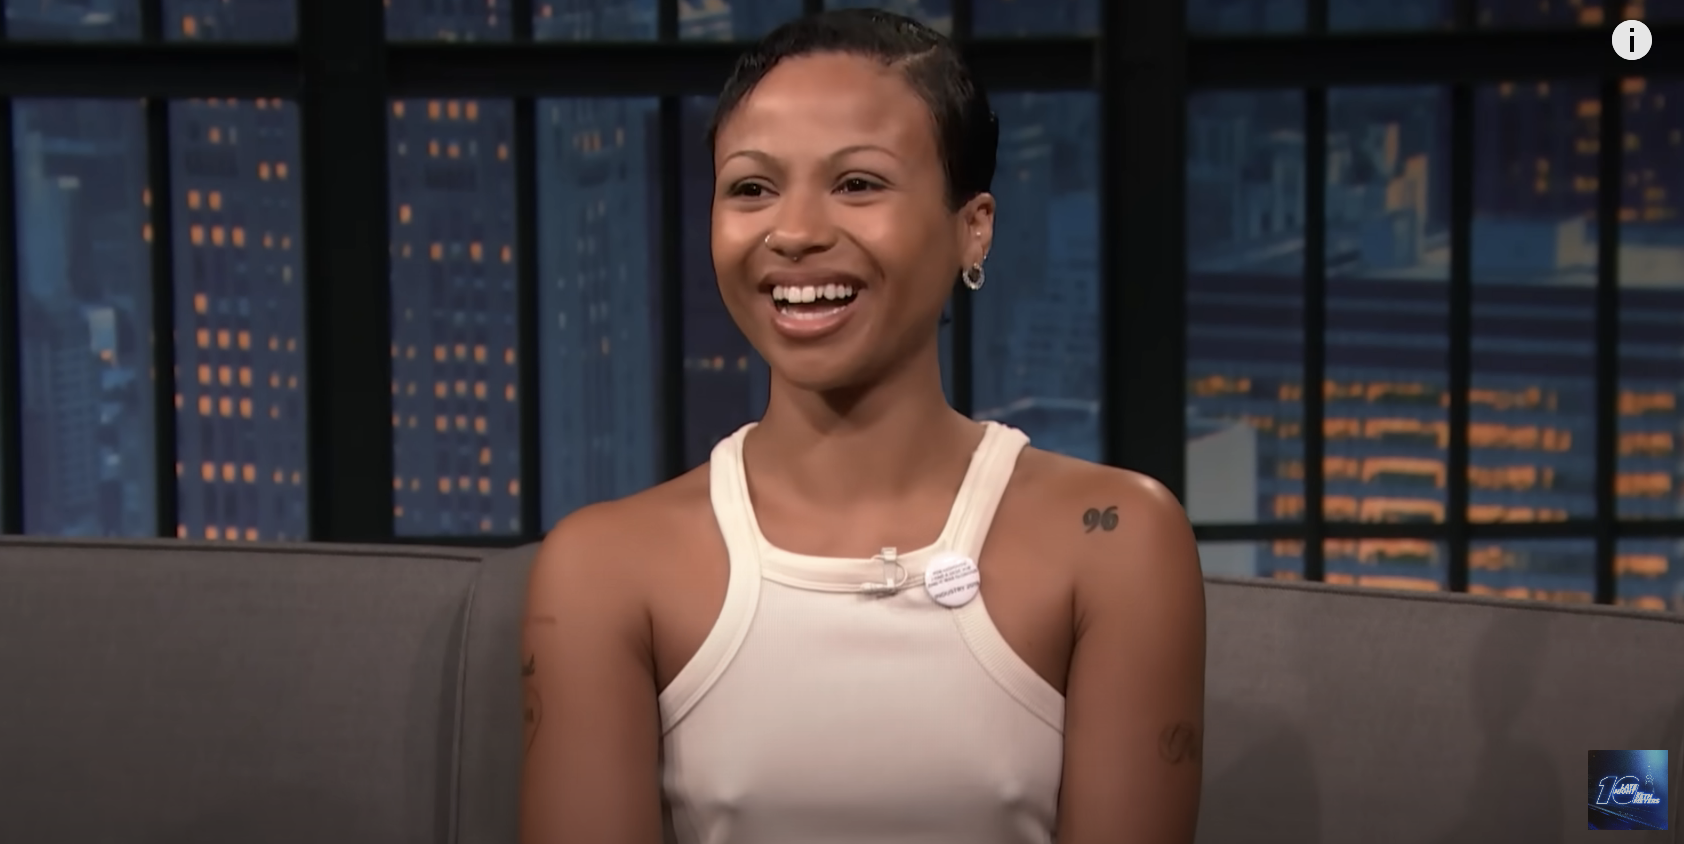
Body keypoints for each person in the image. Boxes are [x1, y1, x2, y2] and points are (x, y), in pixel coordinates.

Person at [519, 9, 1206, 843]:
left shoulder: (1117, 540)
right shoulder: (603, 568)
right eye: (752, 188)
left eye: (858, 184)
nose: (797, 233)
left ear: (973, 225)